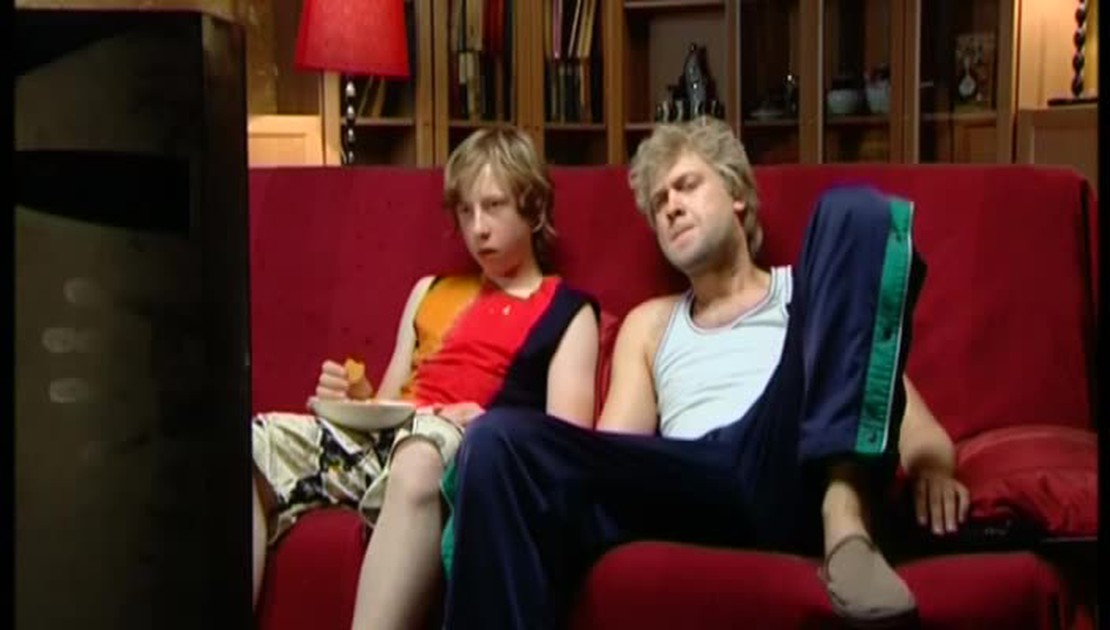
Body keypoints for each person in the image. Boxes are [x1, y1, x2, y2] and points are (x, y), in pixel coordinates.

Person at [441, 117, 970, 629]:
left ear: (737, 194)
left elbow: (905, 417)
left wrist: (933, 471)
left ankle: (845, 519)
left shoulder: (806, 292)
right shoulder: (649, 324)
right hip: (693, 482)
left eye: (687, 186)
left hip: (790, 460)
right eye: (659, 203)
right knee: (496, 439)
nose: (671, 207)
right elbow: (614, 452)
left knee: (853, 210)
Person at [250, 126, 601, 630]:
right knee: (250, 442)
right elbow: (391, 401)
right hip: (395, 438)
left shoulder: (567, 311)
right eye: (465, 211)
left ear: (533, 208)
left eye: (494, 207)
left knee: (420, 456)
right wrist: (354, 396)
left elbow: (563, 445)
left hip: (464, 449)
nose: (478, 228)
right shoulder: (429, 291)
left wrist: (487, 420)